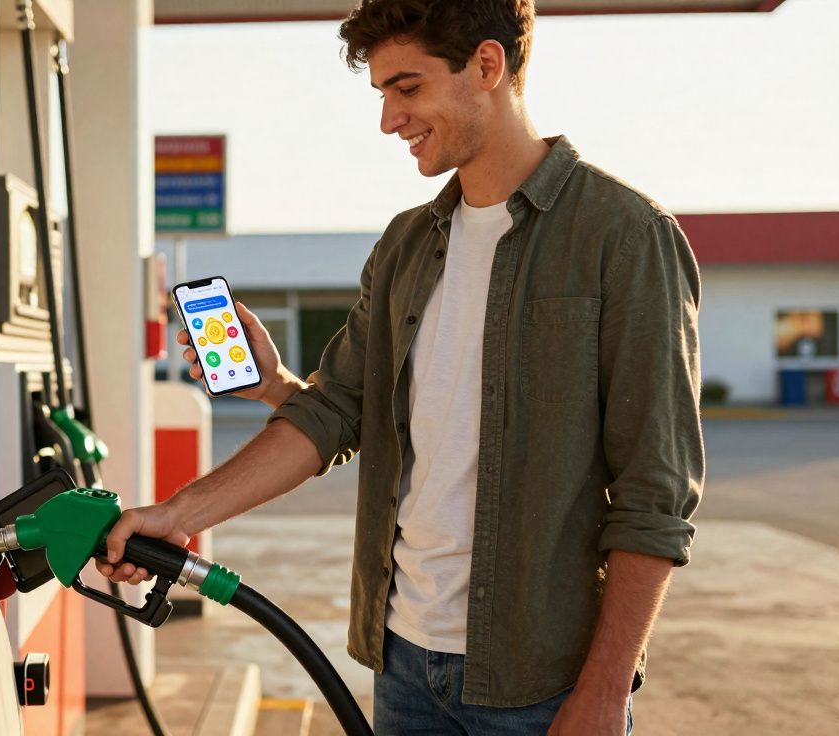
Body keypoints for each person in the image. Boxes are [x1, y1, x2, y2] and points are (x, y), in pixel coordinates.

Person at [99, 1, 703, 733]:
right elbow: (333, 413)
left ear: (487, 66)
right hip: (404, 662)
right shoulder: (406, 245)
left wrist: (606, 690)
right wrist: (178, 514)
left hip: (539, 682)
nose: (390, 120)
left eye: (408, 88)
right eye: (383, 93)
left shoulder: (625, 237)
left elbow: (654, 495)